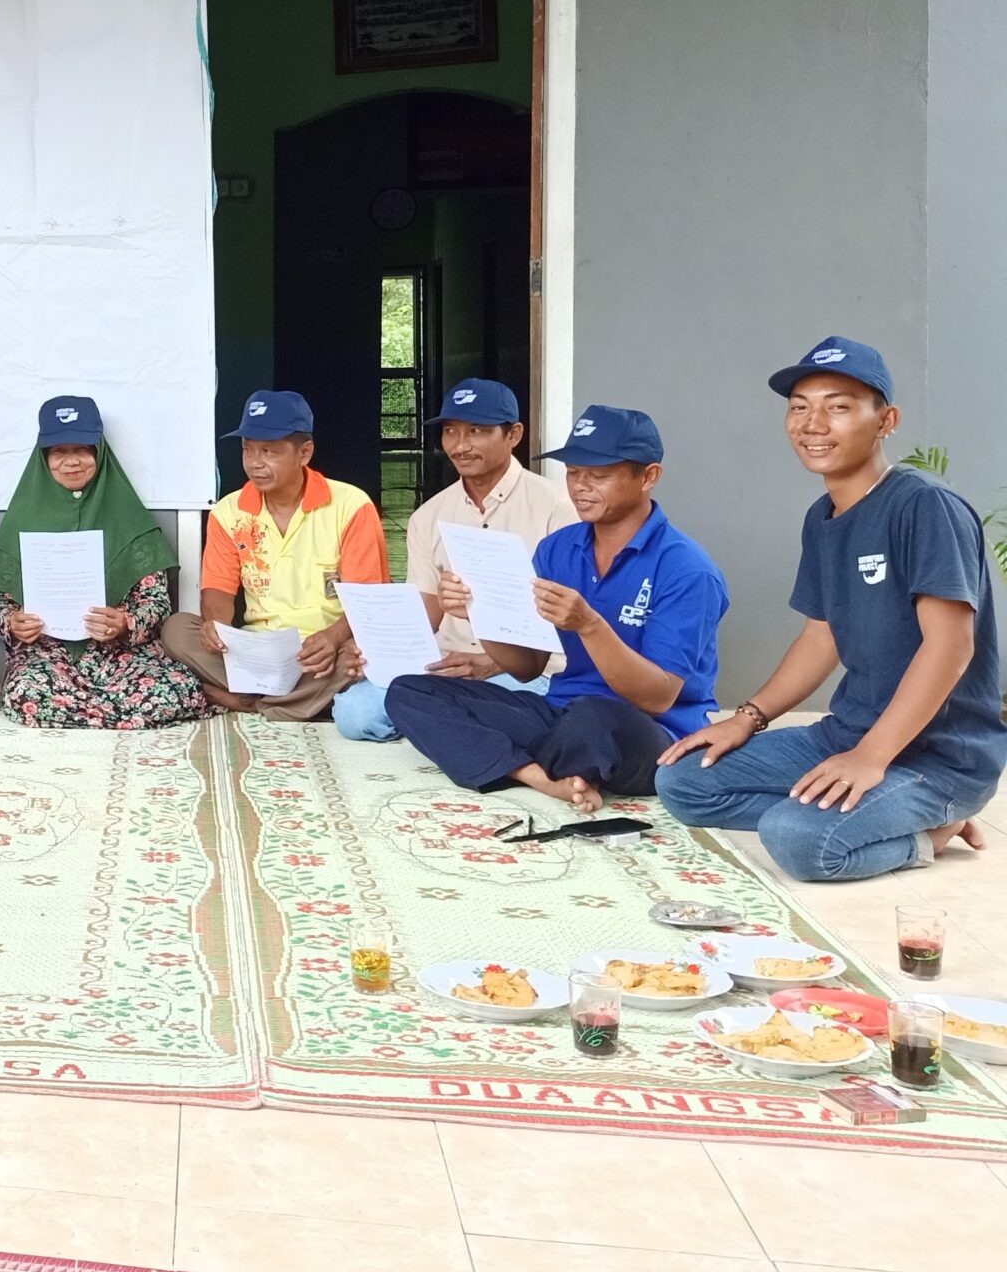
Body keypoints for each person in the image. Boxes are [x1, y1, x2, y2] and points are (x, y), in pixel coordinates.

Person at [657, 338, 1003, 880]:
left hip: (939, 757)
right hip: (846, 733)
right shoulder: (823, 517)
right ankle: (875, 816)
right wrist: (746, 720)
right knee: (683, 781)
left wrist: (871, 757)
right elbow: (820, 638)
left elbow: (951, 646)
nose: (812, 423)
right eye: (799, 407)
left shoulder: (924, 506)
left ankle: (931, 829)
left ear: (886, 421)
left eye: (838, 407)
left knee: (797, 838)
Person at [385, 405, 727, 813]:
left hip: (649, 731)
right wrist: (480, 611)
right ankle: (540, 776)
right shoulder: (558, 548)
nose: (580, 487)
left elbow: (657, 698)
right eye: (573, 472)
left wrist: (589, 626)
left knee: (593, 720)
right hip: (561, 711)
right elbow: (527, 668)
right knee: (410, 692)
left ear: (648, 477)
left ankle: (518, 756)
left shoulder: (686, 569)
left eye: (598, 475)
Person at [333, 379, 578, 741]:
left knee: (524, 712)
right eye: (451, 431)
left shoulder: (556, 509)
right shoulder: (429, 516)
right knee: (355, 713)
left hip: (526, 671)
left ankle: (444, 726)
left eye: (476, 431)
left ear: (513, 434)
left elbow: (569, 615)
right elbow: (425, 614)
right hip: (449, 665)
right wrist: (381, 652)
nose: (460, 446)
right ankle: (456, 726)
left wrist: (491, 663)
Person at [159, 390, 386, 720]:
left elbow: (368, 603)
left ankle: (253, 702)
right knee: (177, 629)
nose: (254, 463)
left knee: (359, 658)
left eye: (269, 451)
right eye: (247, 449)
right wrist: (216, 626)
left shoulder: (351, 506)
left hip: (323, 649)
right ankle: (304, 701)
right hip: (257, 650)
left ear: (304, 452)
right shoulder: (229, 512)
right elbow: (217, 592)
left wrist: (334, 638)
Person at [0, 395, 208, 729]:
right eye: (59, 451)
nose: (71, 461)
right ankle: (120, 713)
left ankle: (80, 710)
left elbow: (157, 602)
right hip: (47, 654)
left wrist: (125, 622)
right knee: (26, 693)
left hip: (119, 653)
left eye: (82, 449)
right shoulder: (22, 517)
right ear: (44, 457)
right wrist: (13, 622)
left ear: (99, 450)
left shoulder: (128, 515)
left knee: (178, 688)